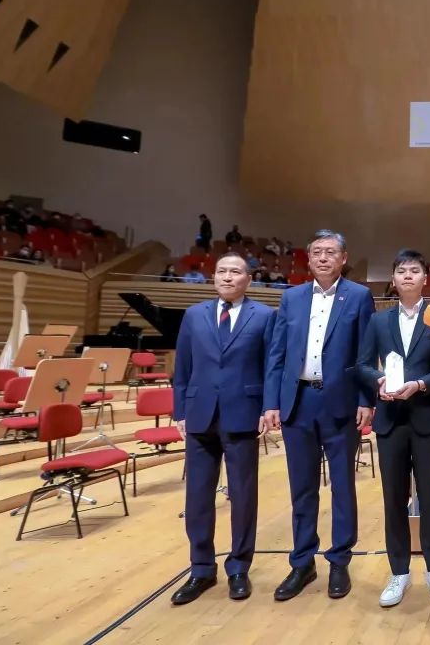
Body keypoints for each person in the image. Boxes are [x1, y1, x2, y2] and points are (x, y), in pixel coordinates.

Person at [263, 229, 375, 602]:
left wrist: (366, 399)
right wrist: (271, 402)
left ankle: (340, 559)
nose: (323, 257)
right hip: (297, 402)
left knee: (342, 485)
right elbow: (277, 354)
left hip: (341, 403)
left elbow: (366, 353)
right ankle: (302, 562)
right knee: (302, 487)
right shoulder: (291, 298)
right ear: (308, 259)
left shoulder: (358, 296)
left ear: (343, 258)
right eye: (317, 252)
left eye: (330, 252)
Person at [170, 254, 276, 605]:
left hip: (243, 413)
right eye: (221, 271)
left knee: (243, 495)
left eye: (235, 272)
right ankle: (201, 568)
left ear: (248, 279)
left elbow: (270, 367)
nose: (227, 277)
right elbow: (182, 369)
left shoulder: (264, 316)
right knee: (197, 497)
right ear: (213, 277)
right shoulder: (193, 315)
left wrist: (267, 407)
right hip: (199, 414)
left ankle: (239, 567)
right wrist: (180, 411)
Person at [356, 249, 430, 608]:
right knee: (394, 497)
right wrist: (379, 380)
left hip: (427, 417)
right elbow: (362, 364)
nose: (408, 276)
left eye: (415, 270)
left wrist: (421, 384)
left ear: (425, 278)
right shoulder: (378, 321)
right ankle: (399, 572)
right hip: (390, 420)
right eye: (402, 271)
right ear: (394, 279)